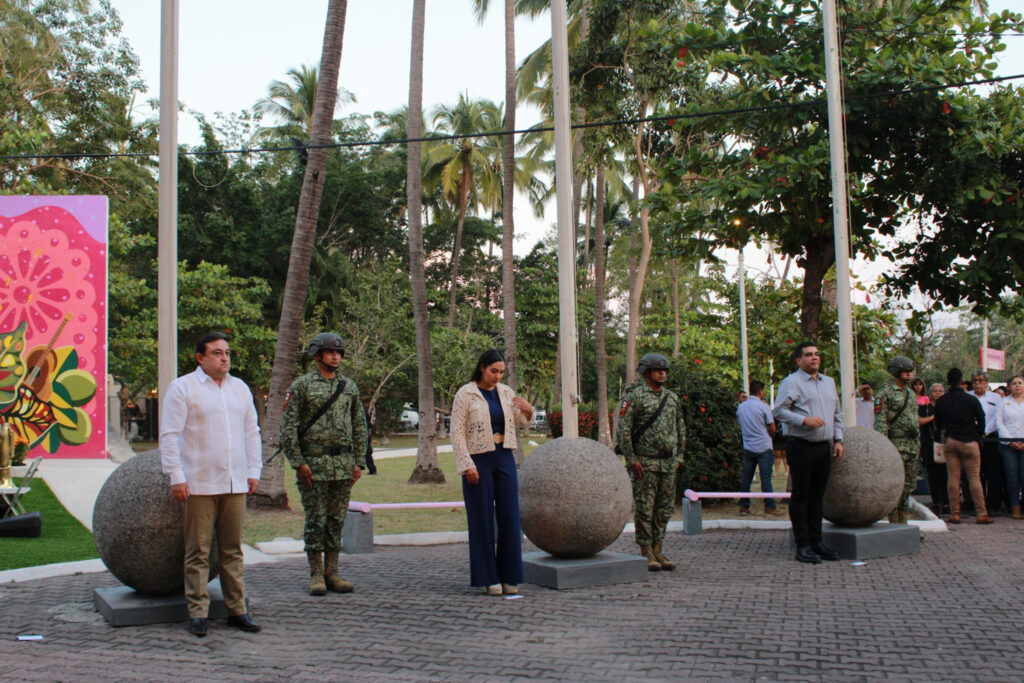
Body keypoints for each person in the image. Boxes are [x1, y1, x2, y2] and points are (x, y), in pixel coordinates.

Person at [160, 331, 263, 637]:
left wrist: (253, 470)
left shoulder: (240, 389)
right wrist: (176, 476)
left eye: (227, 353)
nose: (224, 358)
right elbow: (170, 435)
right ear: (200, 358)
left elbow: (251, 432)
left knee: (232, 550)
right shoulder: (183, 388)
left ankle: (237, 610)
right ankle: (198, 612)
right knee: (199, 551)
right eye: (217, 353)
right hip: (199, 483)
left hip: (235, 483)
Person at [281, 332, 368, 595]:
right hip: (313, 466)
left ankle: (333, 572)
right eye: (330, 352)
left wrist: (358, 462)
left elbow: (359, 426)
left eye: (339, 352)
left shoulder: (349, 387)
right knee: (316, 521)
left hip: (343, 465)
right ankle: (315, 573)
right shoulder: (302, 386)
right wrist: (299, 463)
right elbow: (288, 428)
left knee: (336, 520)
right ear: (317, 355)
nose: (336, 356)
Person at [450, 349, 532, 595]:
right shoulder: (466, 394)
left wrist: (528, 409)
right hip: (478, 460)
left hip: (504, 457)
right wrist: (467, 464)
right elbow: (456, 433)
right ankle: (488, 577)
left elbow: (520, 421)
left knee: (509, 516)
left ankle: (510, 575)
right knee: (481, 519)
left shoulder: (506, 392)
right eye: (493, 371)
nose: (497, 376)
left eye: (501, 372)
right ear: (482, 368)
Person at [773, 342, 843, 564]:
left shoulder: (829, 383)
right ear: (799, 360)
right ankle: (803, 545)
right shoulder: (791, 382)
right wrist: (804, 420)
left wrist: (839, 439)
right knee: (802, 496)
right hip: (801, 445)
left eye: (817, 354)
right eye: (809, 355)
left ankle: (817, 542)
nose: (815, 358)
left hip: (824, 447)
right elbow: (779, 411)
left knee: (817, 497)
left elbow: (837, 414)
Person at [620, 353, 686, 571]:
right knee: (645, 509)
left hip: (667, 465)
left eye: (665, 370)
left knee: (664, 509)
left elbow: (680, 429)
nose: (662, 373)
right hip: (644, 464)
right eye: (658, 370)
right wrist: (632, 459)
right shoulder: (636, 396)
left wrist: (679, 457)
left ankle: (659, 548)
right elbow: (624, 429)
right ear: (647, 372)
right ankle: (646, 550)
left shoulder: (672, 398)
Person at [934, 367, 992, 524]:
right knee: (974, 477)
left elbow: (937, 423)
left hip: (950, 441)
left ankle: (955, 513)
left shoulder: (942, 401)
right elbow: (981, 418)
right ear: (962, 381)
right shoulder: (971, 399)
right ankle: (981, 513)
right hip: (969, 441)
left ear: (947, 382)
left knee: (953, 478)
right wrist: (978, 434)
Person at [874, 356, 920, 524]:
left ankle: (903, 522)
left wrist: (918, 445)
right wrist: (884, 449)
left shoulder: (911, 394)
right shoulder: (885, 393)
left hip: (911, 446)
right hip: (895, 446)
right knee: (895, 487)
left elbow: (914, 420)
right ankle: (894, 523)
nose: (909, 374)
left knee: (908, 486)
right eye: (905, 371)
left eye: (910, 371)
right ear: (896, 372)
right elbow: (881, 421)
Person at [736, 380, 783, 517]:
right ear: (761, 391)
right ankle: (769, 506)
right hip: (764, 446)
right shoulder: (764, 407)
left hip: (748, 446)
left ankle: (744, 506)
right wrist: (770, 435)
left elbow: (740, 424)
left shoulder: (741, 407)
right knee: (766, 478)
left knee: (746, 478)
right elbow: (772, 427)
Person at [969, 371, 1006, 515]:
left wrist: (984, 431)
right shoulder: (968, 396)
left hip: (990, 438)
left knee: (992, 473)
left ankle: (993, 505)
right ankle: (978, 504)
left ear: (986, 382)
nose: (978, 383)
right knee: (976, 474)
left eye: (981, 380)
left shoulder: (995, 397)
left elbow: (998, 417)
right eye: (975, 380)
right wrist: (976, 433)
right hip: (973, 438)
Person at [919, 383, 949, 515]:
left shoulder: (948, 408)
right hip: (929, 444)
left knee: (945, 476)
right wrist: (933, 417)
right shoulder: (924, 408)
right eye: (935, 391)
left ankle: (947, 503)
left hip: (945, 444)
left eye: (941, 391)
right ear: (930, 394)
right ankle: (936, 502)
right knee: (932, 476)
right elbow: (919, 421)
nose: (938, 393)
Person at [997, 375, 1024, 519]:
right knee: (1012, 475)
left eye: (1020, 383)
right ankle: (1015, 506)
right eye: (1014, 383)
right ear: (1009, 386)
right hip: (1008, 445)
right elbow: (999, 423)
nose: (1017, 386)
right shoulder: (1004, 402)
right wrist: (1010, 441)